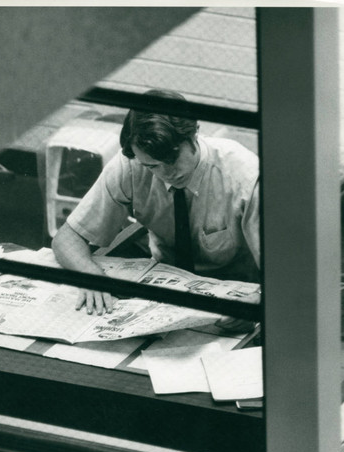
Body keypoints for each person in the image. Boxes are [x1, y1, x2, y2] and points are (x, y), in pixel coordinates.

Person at [52, 89, 260, 315]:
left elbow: (287, 269)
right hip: (166, 289)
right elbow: (67, 238)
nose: (166, 174)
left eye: (172, 159)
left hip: (237, 291)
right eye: (152, 166)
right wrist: (90, 276)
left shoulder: (245, 175)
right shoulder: (131, 165)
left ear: (195, 133)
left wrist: (258, 301)